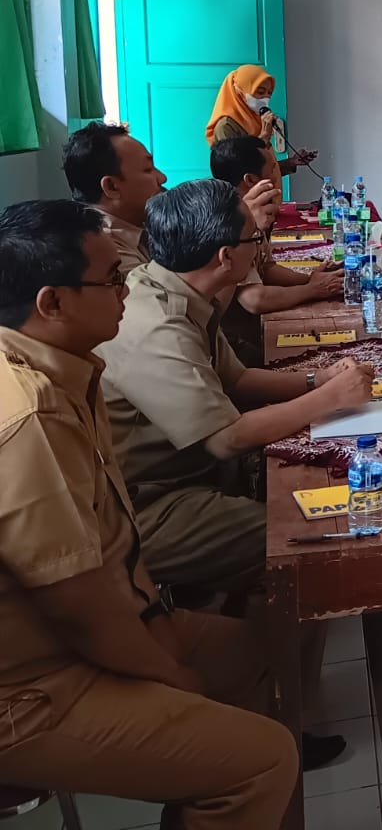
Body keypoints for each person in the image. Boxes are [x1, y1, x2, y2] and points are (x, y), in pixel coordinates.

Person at [0, 198, 300, 827]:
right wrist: (169, 671)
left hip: (95, 620)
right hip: (32, 685)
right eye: (111, 278)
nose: (127, 288)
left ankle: (201, 778)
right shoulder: (28, 415)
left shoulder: (68, 367)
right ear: (52, 303)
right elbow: (76, 603)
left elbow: (115, 534)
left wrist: (157, 623)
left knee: (252, 652)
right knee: (264, 760)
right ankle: (228, 775)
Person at [98, 179, 373, 600]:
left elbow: (238, 379)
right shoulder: (157, 325)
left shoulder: (179, 288)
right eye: (254, 239)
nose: (259, 247)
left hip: (189, 470)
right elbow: (226, 438)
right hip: (147, 503)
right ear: (227, 257)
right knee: (304, 533)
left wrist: (319, 380)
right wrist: (330, 399)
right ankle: (271, 636)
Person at [211, 136, 342, 315]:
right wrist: (313, 290)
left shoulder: (249, 212)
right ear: (250, 180)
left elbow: (267, 269)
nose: (276, 176)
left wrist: (311, 279)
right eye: (273, 169)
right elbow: (255, 299)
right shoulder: (227, 224)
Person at [62, 122, 166, 273]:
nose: (162, 178)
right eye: (148, 169)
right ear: (111, 187)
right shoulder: (100, 248)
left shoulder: (144, 224)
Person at [205, 64, 316, 174]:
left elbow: (264, 169)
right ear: (239, 91)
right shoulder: (226, 127)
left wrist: (291, 162)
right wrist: (264, 137)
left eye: (269, 94)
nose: (265, 99)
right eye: (260, 92)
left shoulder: (256, 121)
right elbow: (240, 172)